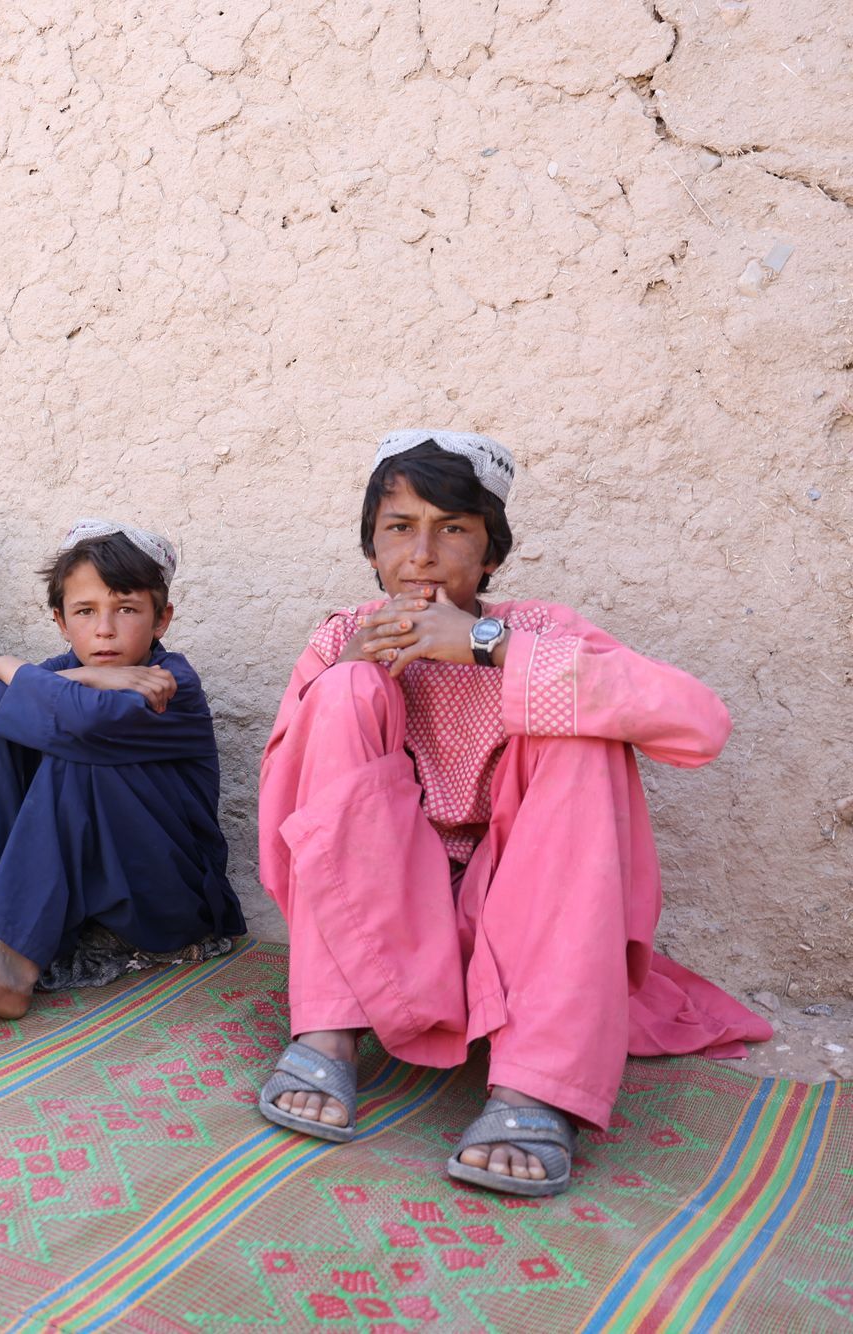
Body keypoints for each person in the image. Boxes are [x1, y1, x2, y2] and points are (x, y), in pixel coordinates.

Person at [255, 430, 770, 1198]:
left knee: (581, 726)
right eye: (400, 528)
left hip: (524, 923)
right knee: (340, 691)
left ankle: (538, 1082)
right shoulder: (340, 636)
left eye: (453, 529)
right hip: (381, 917)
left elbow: (700, 723)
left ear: (491, 552)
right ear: (371, 548)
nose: (422, 554)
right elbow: (288, 809)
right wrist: (352, 669)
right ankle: (326, 1026)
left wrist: (490, 645)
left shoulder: (537, 631)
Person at [0, 521, 242, 1022]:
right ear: (61, 620)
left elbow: (85, 722)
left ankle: (12, 967)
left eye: (127, 609)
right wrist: (87, 674)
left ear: (161, 619)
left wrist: (9, 666)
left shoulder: (169, 684)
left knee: (74, 748)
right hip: (91, 886)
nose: (104, 629)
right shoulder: (67, 668)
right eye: (85, 611)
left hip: (165, 893)